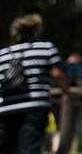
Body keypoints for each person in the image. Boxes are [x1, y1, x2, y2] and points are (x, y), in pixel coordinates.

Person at [0, 15, 68, 154]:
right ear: (36, 30)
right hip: (34, 107)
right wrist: (67, 90)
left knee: (9, 148)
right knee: (30, 148)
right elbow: (57, 74)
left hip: (5, 109)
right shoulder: (46, 48)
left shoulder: (3, 54)